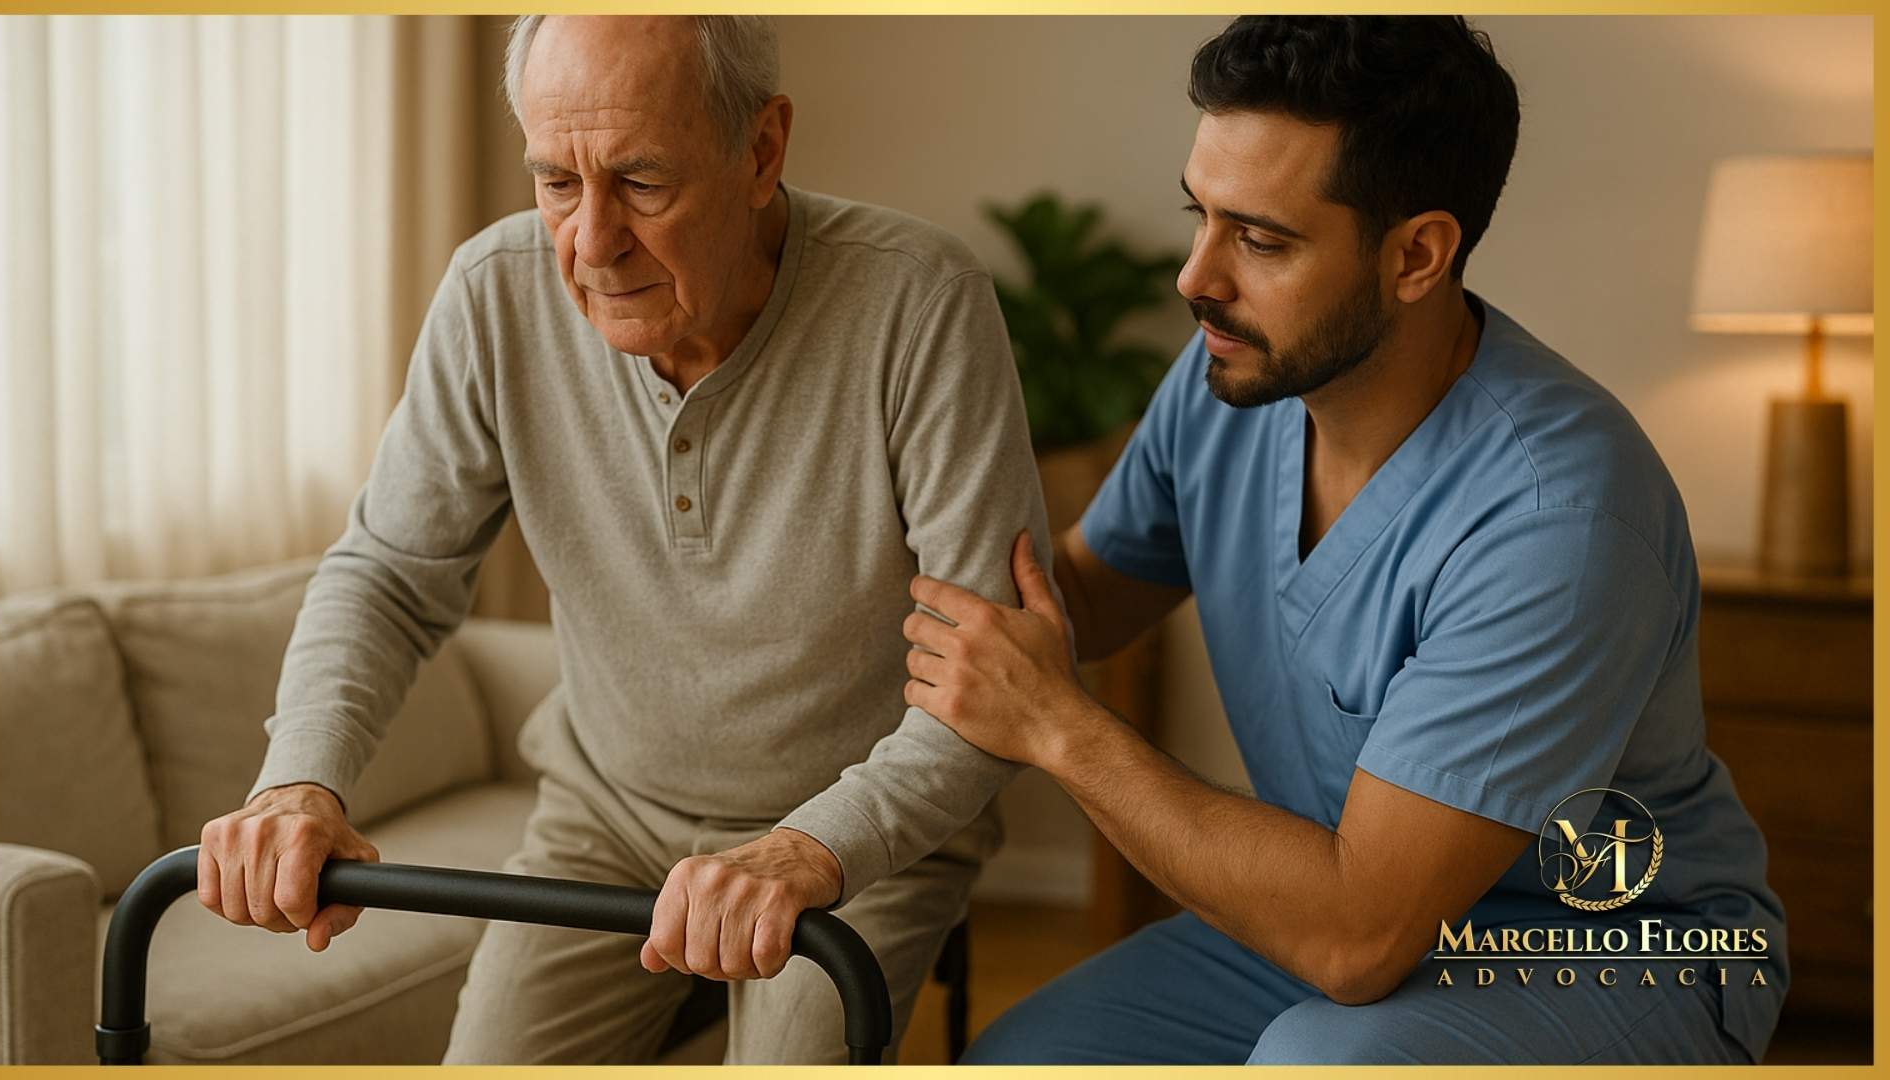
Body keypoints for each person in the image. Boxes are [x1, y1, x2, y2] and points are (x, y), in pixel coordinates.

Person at [904, 15, 1786, 1065]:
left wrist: (1058, 727)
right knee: (1023, 1060)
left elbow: (1359, 935)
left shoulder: (1561, 516)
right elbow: (1082, 599)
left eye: (1261, 240)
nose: (1196, 278)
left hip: (1604, 942)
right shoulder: (1228, 378)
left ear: (1417, 254)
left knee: (1325, 1062)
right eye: (1202, 216)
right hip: (1335, 906)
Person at [193, 14, 1048, 1064]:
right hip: (606, 818)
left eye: (643, 182)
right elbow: (388, 576)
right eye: (556, 181)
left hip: (854, 834)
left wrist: (812, 849)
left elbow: (996, 684)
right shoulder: (493, 294)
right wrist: (299, 780)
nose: (591, 243)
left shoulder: (919, 303)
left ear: (762, 151)